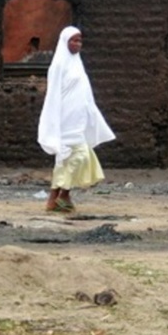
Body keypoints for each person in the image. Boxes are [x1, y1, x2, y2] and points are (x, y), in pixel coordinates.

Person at [38, 26, 115, 212]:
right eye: (73, 40)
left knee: (67, 160)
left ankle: (54, 199)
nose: (77, 43)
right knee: (76, 156)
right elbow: (53, 95)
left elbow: (84, 93)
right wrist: (53, 121)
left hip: (78, 118)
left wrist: (91, 115)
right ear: (64, 42)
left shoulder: (77, 63)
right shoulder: (58, 65)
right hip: (64, 119)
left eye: (80, 40)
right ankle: (63, 195)